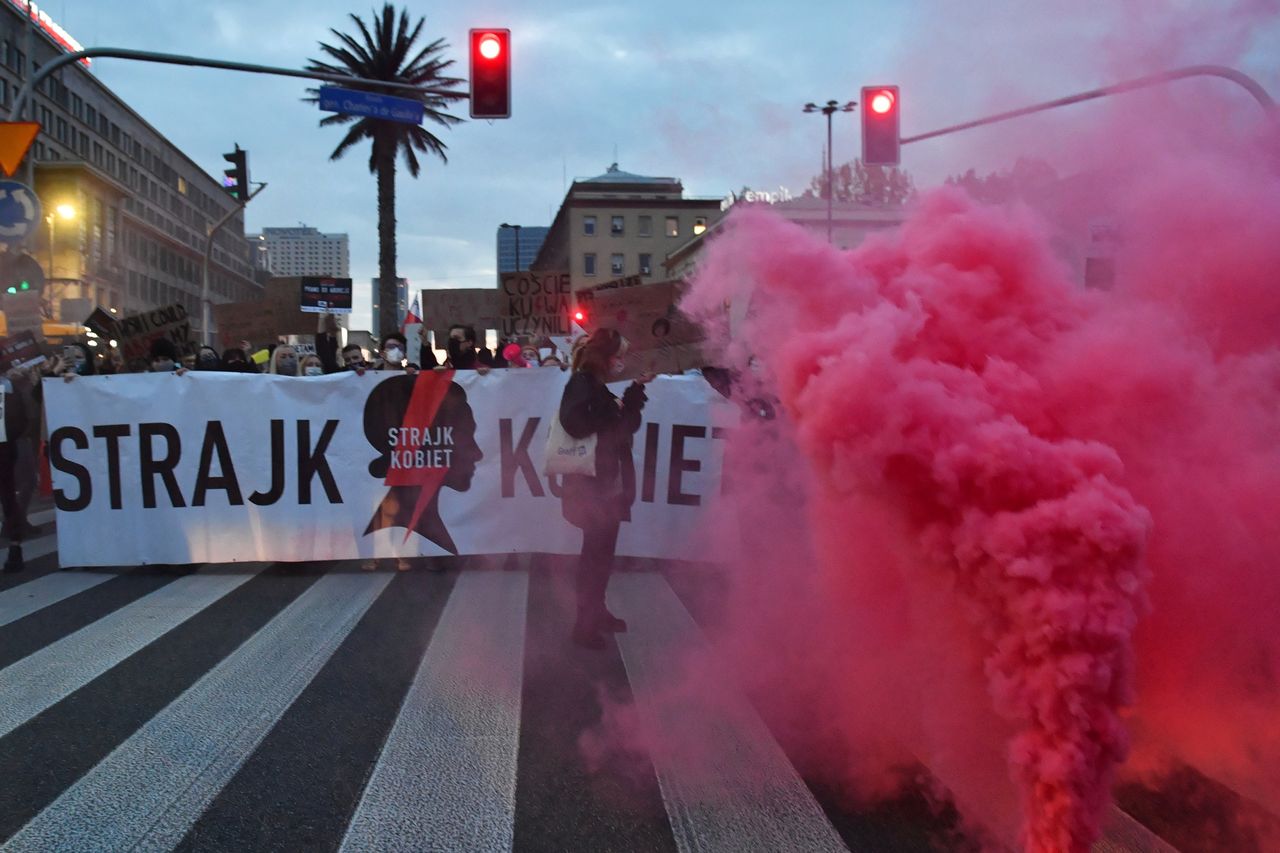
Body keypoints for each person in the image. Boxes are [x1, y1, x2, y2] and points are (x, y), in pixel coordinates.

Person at [558, 328, 652, 649]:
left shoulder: (595, 386)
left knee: (602, 556)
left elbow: (624, 428)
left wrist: (635, 393)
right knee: (594, 558)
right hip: (592, 488)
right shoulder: (583, 384)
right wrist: (611, 418)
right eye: (619, 356)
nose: (622, 362)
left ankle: (596, 613)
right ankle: (583, 626)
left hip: (606, 487)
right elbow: (576, 423)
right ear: (606, 358)